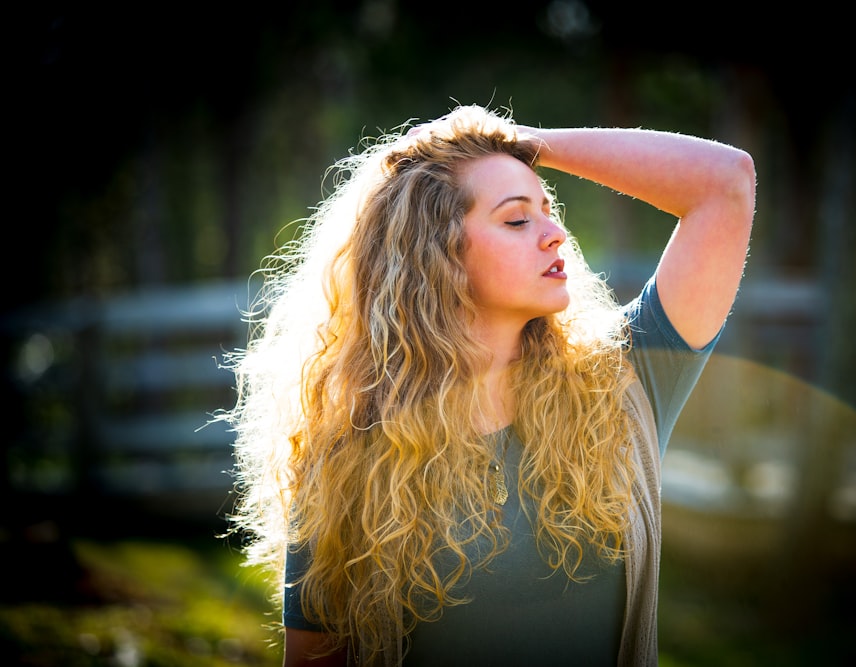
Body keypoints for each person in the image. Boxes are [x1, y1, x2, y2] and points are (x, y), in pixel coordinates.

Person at [222, 104, 755, 666]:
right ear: (438, 252)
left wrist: (521, 141)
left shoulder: (624, 383)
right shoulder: (349, 452)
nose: (555, 235)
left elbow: (725, 183)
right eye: (518, 219)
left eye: (549, 212)